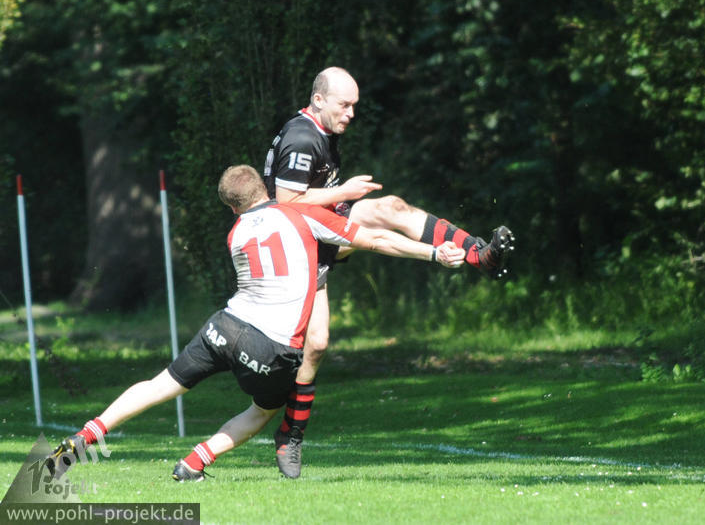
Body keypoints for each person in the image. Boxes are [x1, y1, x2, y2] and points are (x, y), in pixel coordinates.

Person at [45, 164, 465, 482]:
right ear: (266, 187)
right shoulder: (300, 214)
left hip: (225, 325)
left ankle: (83, 437)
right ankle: (195, 462)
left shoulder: (237, 233)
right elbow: (375, 238)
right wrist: (433, 252)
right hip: (271, 345)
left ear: (232, 207)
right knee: (264, 410)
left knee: (160, 384)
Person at [263, 66, 515, 476]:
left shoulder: (322, 130)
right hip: (297, 247)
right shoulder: (303, 137)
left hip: (320, 229)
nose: (351, 114)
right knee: (317, 344)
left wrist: (341, 200)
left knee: (392, 207)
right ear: (319, 100)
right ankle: (290, 435)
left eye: (355, 106)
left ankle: (478, 256)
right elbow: (286, 201)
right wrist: (344, 192)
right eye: (344, 105)